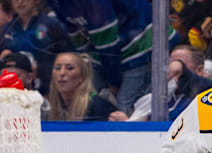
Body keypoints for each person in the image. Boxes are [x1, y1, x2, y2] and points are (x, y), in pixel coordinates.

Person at [46, 0, 179, 115]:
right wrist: (88, 63)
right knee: (90, 100)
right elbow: (76, 33)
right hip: (114, 48)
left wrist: (113, 81)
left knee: (124, 106)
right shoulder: (56, 2)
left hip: (143, 45)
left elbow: (107, 41)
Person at [0, 0, 72, 95]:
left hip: (48, 89)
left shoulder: (52, 24)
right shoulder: (7, 29)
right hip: (17, 91)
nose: (20, 2)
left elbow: (68, 56)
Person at [44, 52, 115, 121]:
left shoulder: (99, 107)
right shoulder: (48, 108)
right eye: (57, 68)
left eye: (70, 68)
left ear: (82, 76)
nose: (62, 73)